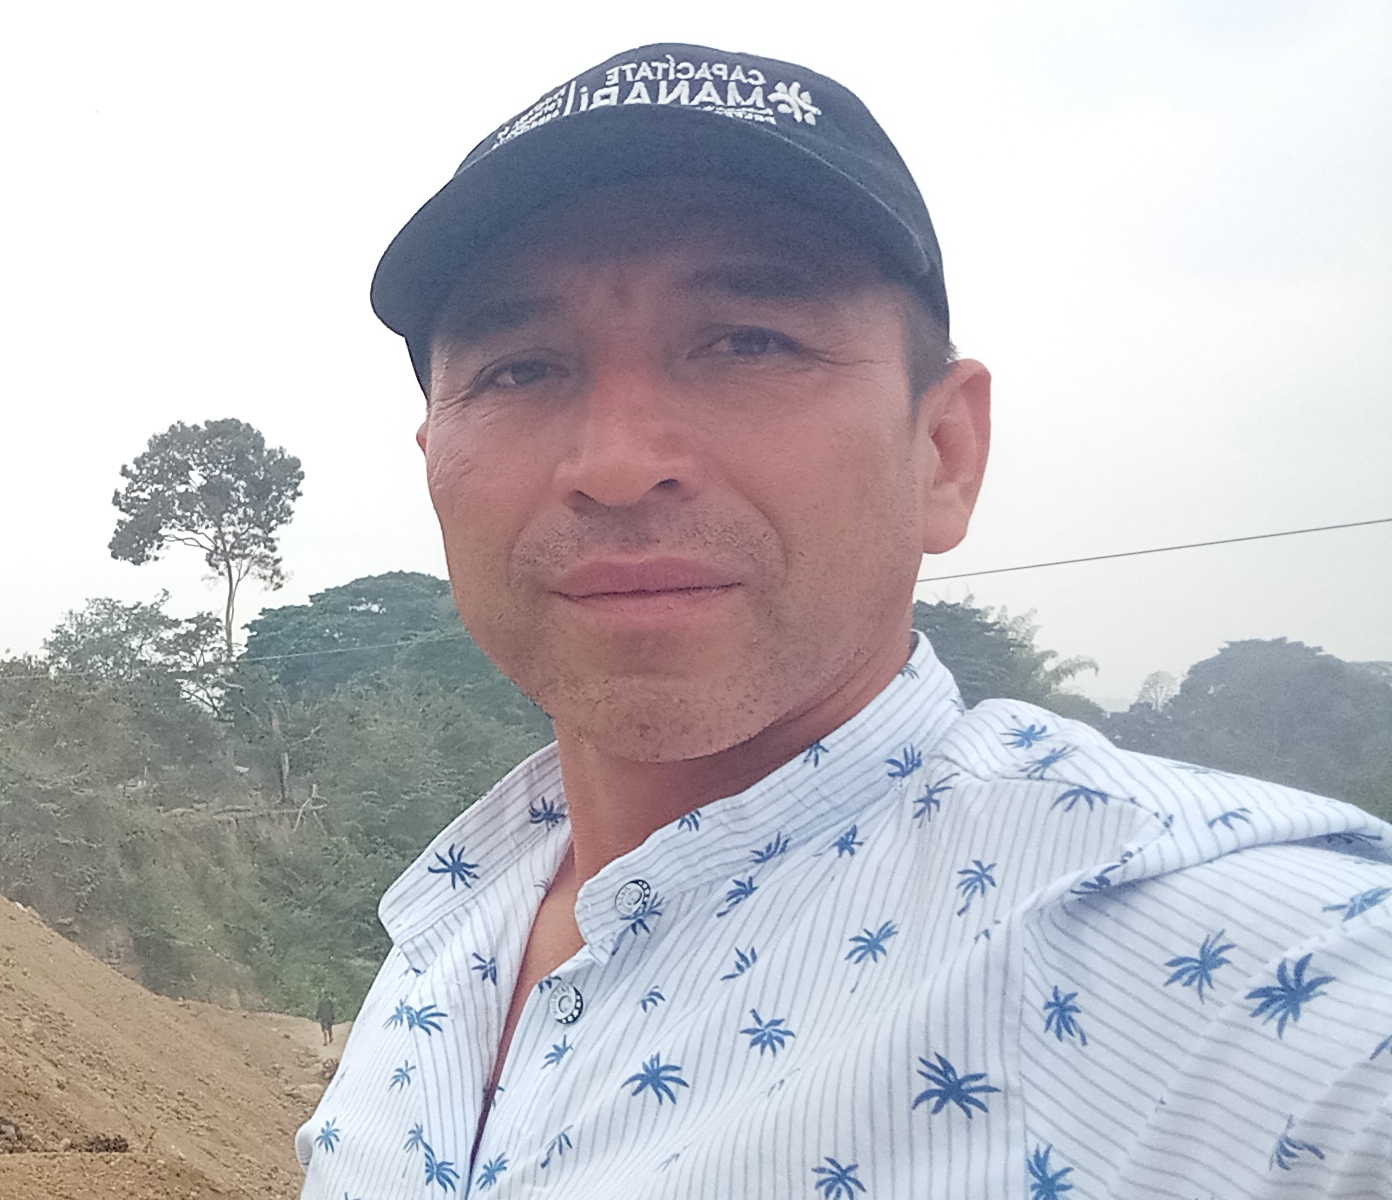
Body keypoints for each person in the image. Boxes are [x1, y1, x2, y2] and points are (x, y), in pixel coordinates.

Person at [297, 43, 1392, 1199]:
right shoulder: (452, 928)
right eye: (520, 370)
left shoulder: (1233, 972)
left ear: (944, 452)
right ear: (434, 462)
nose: (615, 465)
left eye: (748, 342)